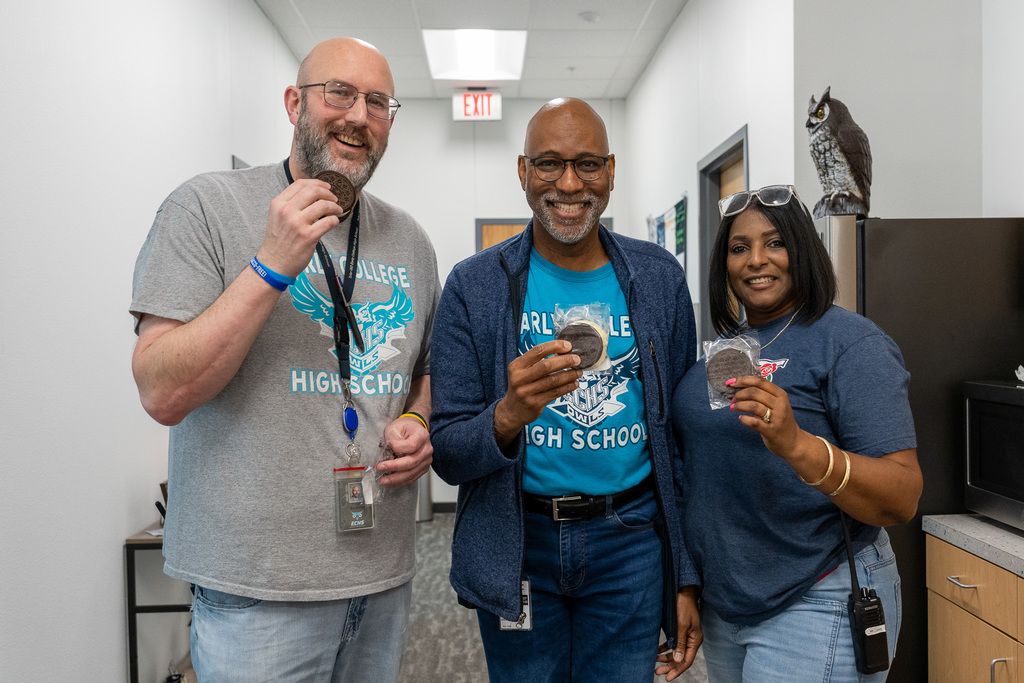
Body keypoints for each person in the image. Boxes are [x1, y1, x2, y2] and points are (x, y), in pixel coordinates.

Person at [130, 37, 439, 682]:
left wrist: (419, 422)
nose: (359, 115)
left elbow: (421, 372)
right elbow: (161, 390)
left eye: (379, 102)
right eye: (340, 94)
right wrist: (269, 266)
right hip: (254, 591)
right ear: (296, 102)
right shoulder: (206, 207)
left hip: (381, 575)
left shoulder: (409, 239)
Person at [430, 97, 702, 682]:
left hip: (629, 543)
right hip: (517, 542)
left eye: (588, 164)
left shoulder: (657, 279)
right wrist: (508, 414)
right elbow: (448, 454)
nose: (570, 183)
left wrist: (686, 573)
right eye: (550, 164)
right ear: (523, 172)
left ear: (611, 170)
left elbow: (681, 443)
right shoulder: (474, 287)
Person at [669, 185, 923, 682]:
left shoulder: (851, 343)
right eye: (739, 248)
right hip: (729, 606)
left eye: (775, 243)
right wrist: (688, 585)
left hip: (818, 596)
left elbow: (902, 496)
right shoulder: (723, 349)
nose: (756, 260)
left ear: (802, 249)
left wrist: (797, 445)